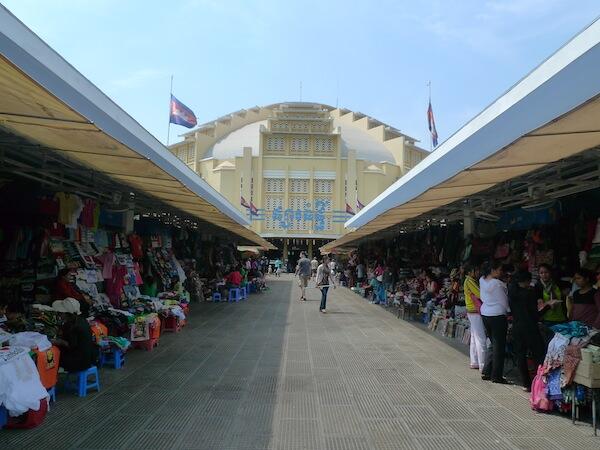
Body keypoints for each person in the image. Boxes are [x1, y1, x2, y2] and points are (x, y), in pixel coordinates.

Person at [508, 270, 546, 391]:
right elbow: (535, 315)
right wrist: (549, 306)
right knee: (539, 354)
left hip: (517, 327)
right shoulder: (529, 294)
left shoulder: (512, 292)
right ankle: (539, 382)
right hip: (530, 327)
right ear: (526, 281)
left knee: (520, 355)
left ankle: (526, 383)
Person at [480, 261, 510, 384]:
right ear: (492, 270)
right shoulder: (498, 284)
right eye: (499, 269)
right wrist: (509, 311)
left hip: (485, 314)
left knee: (492, 343)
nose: (501, 272)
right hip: (497, 316)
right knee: (499, 347)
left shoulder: (482, 280)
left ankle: (487, 371)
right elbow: (504, 302)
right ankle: (496, 375)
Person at [51, 298, 98, 372]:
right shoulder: (81, 320)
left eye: (60, 313)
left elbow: (71, 345)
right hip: (88, 358)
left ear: (66, 314)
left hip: (79, 362)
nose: (59, 314)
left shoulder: (73, 326)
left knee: (53, 356)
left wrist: (59, 341)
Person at [463, 264, 486, 372]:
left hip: (471, 311)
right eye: (476, 270)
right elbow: (480, 294)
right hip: (475, 311)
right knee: (480, 338)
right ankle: (483, 365)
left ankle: (475, 361)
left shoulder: (468, 280)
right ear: (470, 271)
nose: (478, 272)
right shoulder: (470, 281)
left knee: (474, 337)